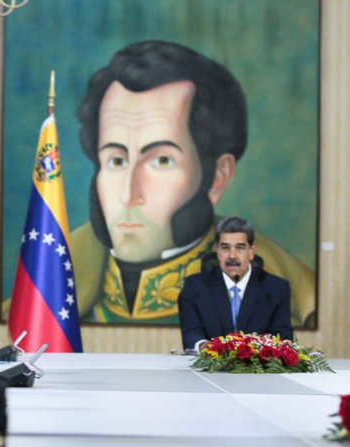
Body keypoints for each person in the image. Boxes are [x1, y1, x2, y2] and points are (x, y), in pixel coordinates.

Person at [65, 40, 315, 326]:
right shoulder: (50, 288)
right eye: (117, 161)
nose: (128, 195)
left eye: (162, 161)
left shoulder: (282, 309)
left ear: (218, 177)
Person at [178, 216, 293, 351]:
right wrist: (207, 348)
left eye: (240, 248)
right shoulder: (195, 286)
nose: (232, 256)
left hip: (258, 369)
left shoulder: (276, 288)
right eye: (225, 248)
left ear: (251, 252)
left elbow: (282, 336)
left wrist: (252, 352)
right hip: (210, 368)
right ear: (218, 252)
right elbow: (191, 333)